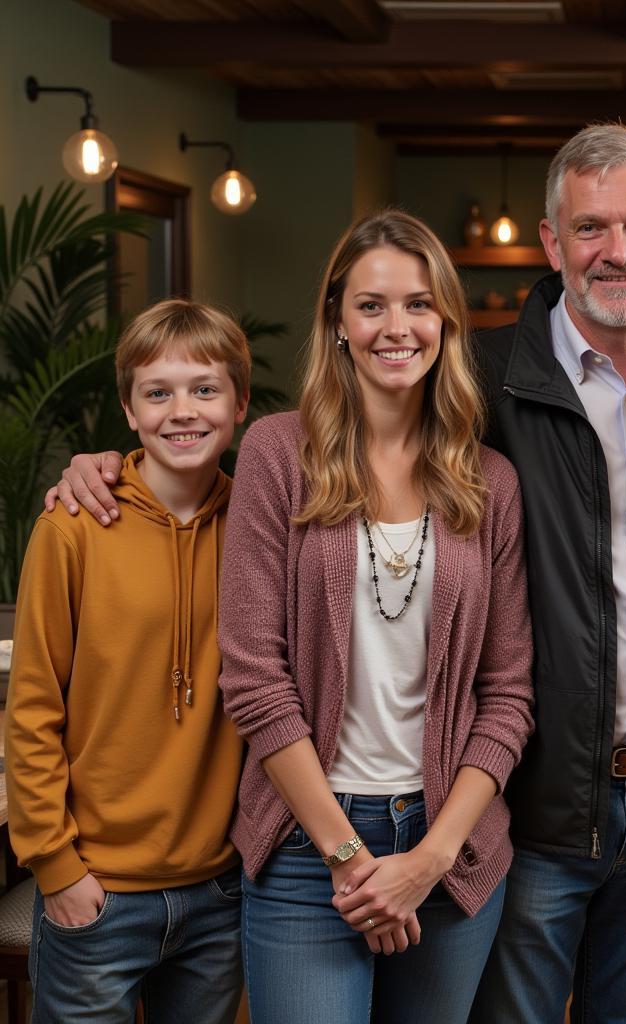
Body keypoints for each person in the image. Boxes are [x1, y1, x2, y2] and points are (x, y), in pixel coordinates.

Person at [47, 125, 626, 1024]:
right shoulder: (480, 381)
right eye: (590, 228)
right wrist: (116, 468)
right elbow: (283, 508)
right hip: (537, 801)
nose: (617, 251)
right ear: (553, 243)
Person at [214, 209, 533, 1023]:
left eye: (420, 304)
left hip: (449, 846)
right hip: (302, 846)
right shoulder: (276, 454)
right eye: (372, 305)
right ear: (338, 321)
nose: (398, 327)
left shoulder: (488, 481)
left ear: (447, 323)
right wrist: (349, 856)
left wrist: (428, 859)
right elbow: (253, 677)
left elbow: (508, 695)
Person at [6, 299, 251, 1023]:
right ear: (129, 408)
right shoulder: (73, 525)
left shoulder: (262, 527)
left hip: (220, 893)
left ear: (239, 403)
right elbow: (32, 707)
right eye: (158, 392)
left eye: (206, 389)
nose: (184, 411)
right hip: (97, 890)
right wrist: (57, 867)